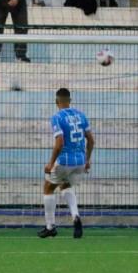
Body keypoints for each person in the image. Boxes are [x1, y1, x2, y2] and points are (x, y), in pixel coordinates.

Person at [38, 88, 95, 239]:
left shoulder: (57, 117)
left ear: (57, 102)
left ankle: (50, 227)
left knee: (48, 187)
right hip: (80, 162)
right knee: (65, 185)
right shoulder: (81, 115)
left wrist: (50, 163)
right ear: (70, 100)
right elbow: (91, 140)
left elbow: (59, 143)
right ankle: (75, 216)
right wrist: (87, 160)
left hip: (64, 161)